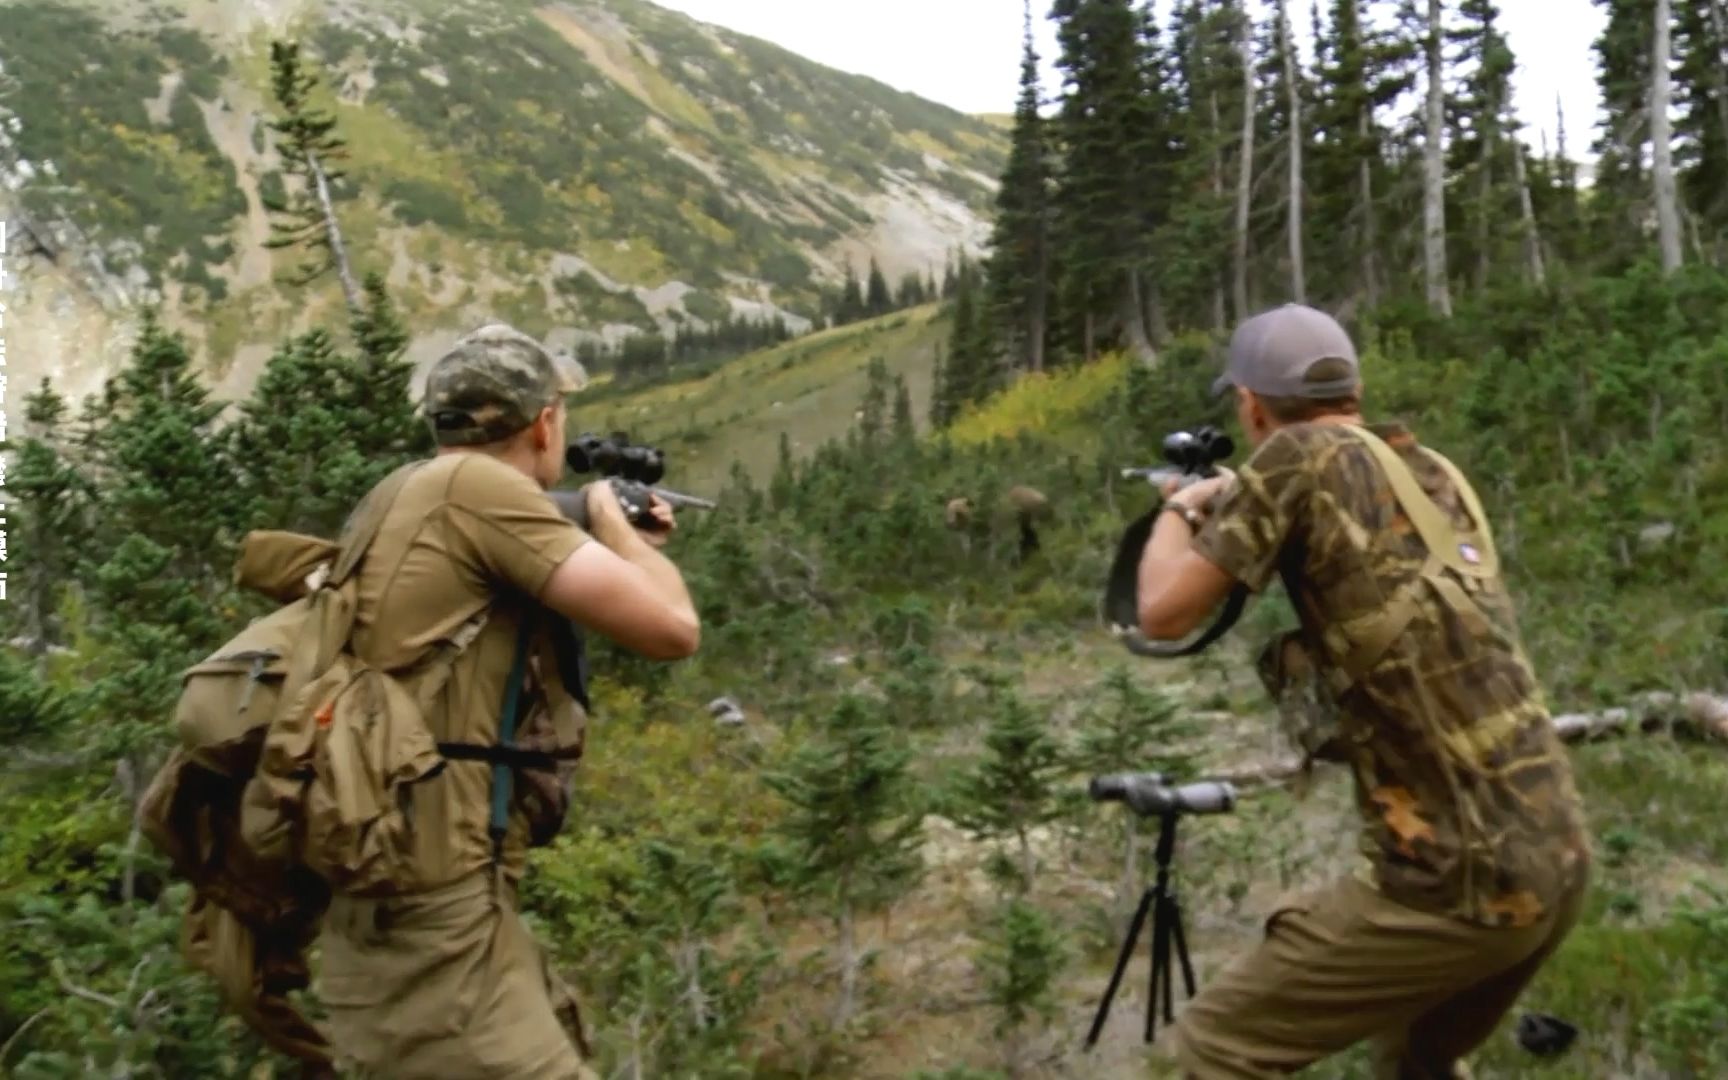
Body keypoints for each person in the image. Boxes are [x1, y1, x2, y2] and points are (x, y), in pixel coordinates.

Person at [1133, 304, 1591, 1079]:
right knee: (1416, 1060)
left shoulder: (1288, 461)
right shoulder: (1431, 470)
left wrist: (1180, 507)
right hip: (1557, 855)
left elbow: (1161, 613)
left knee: (1210, 1048)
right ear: (1356, 388)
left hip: (1455, 881)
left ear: (1249, 405)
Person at [314, 323, 701, 1079]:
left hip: (413, 879)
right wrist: (612, 521)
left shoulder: (406, 489)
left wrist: (600, 531)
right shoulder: (481, 491)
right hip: (434, 900)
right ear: (546, 422)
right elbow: (672, 630)